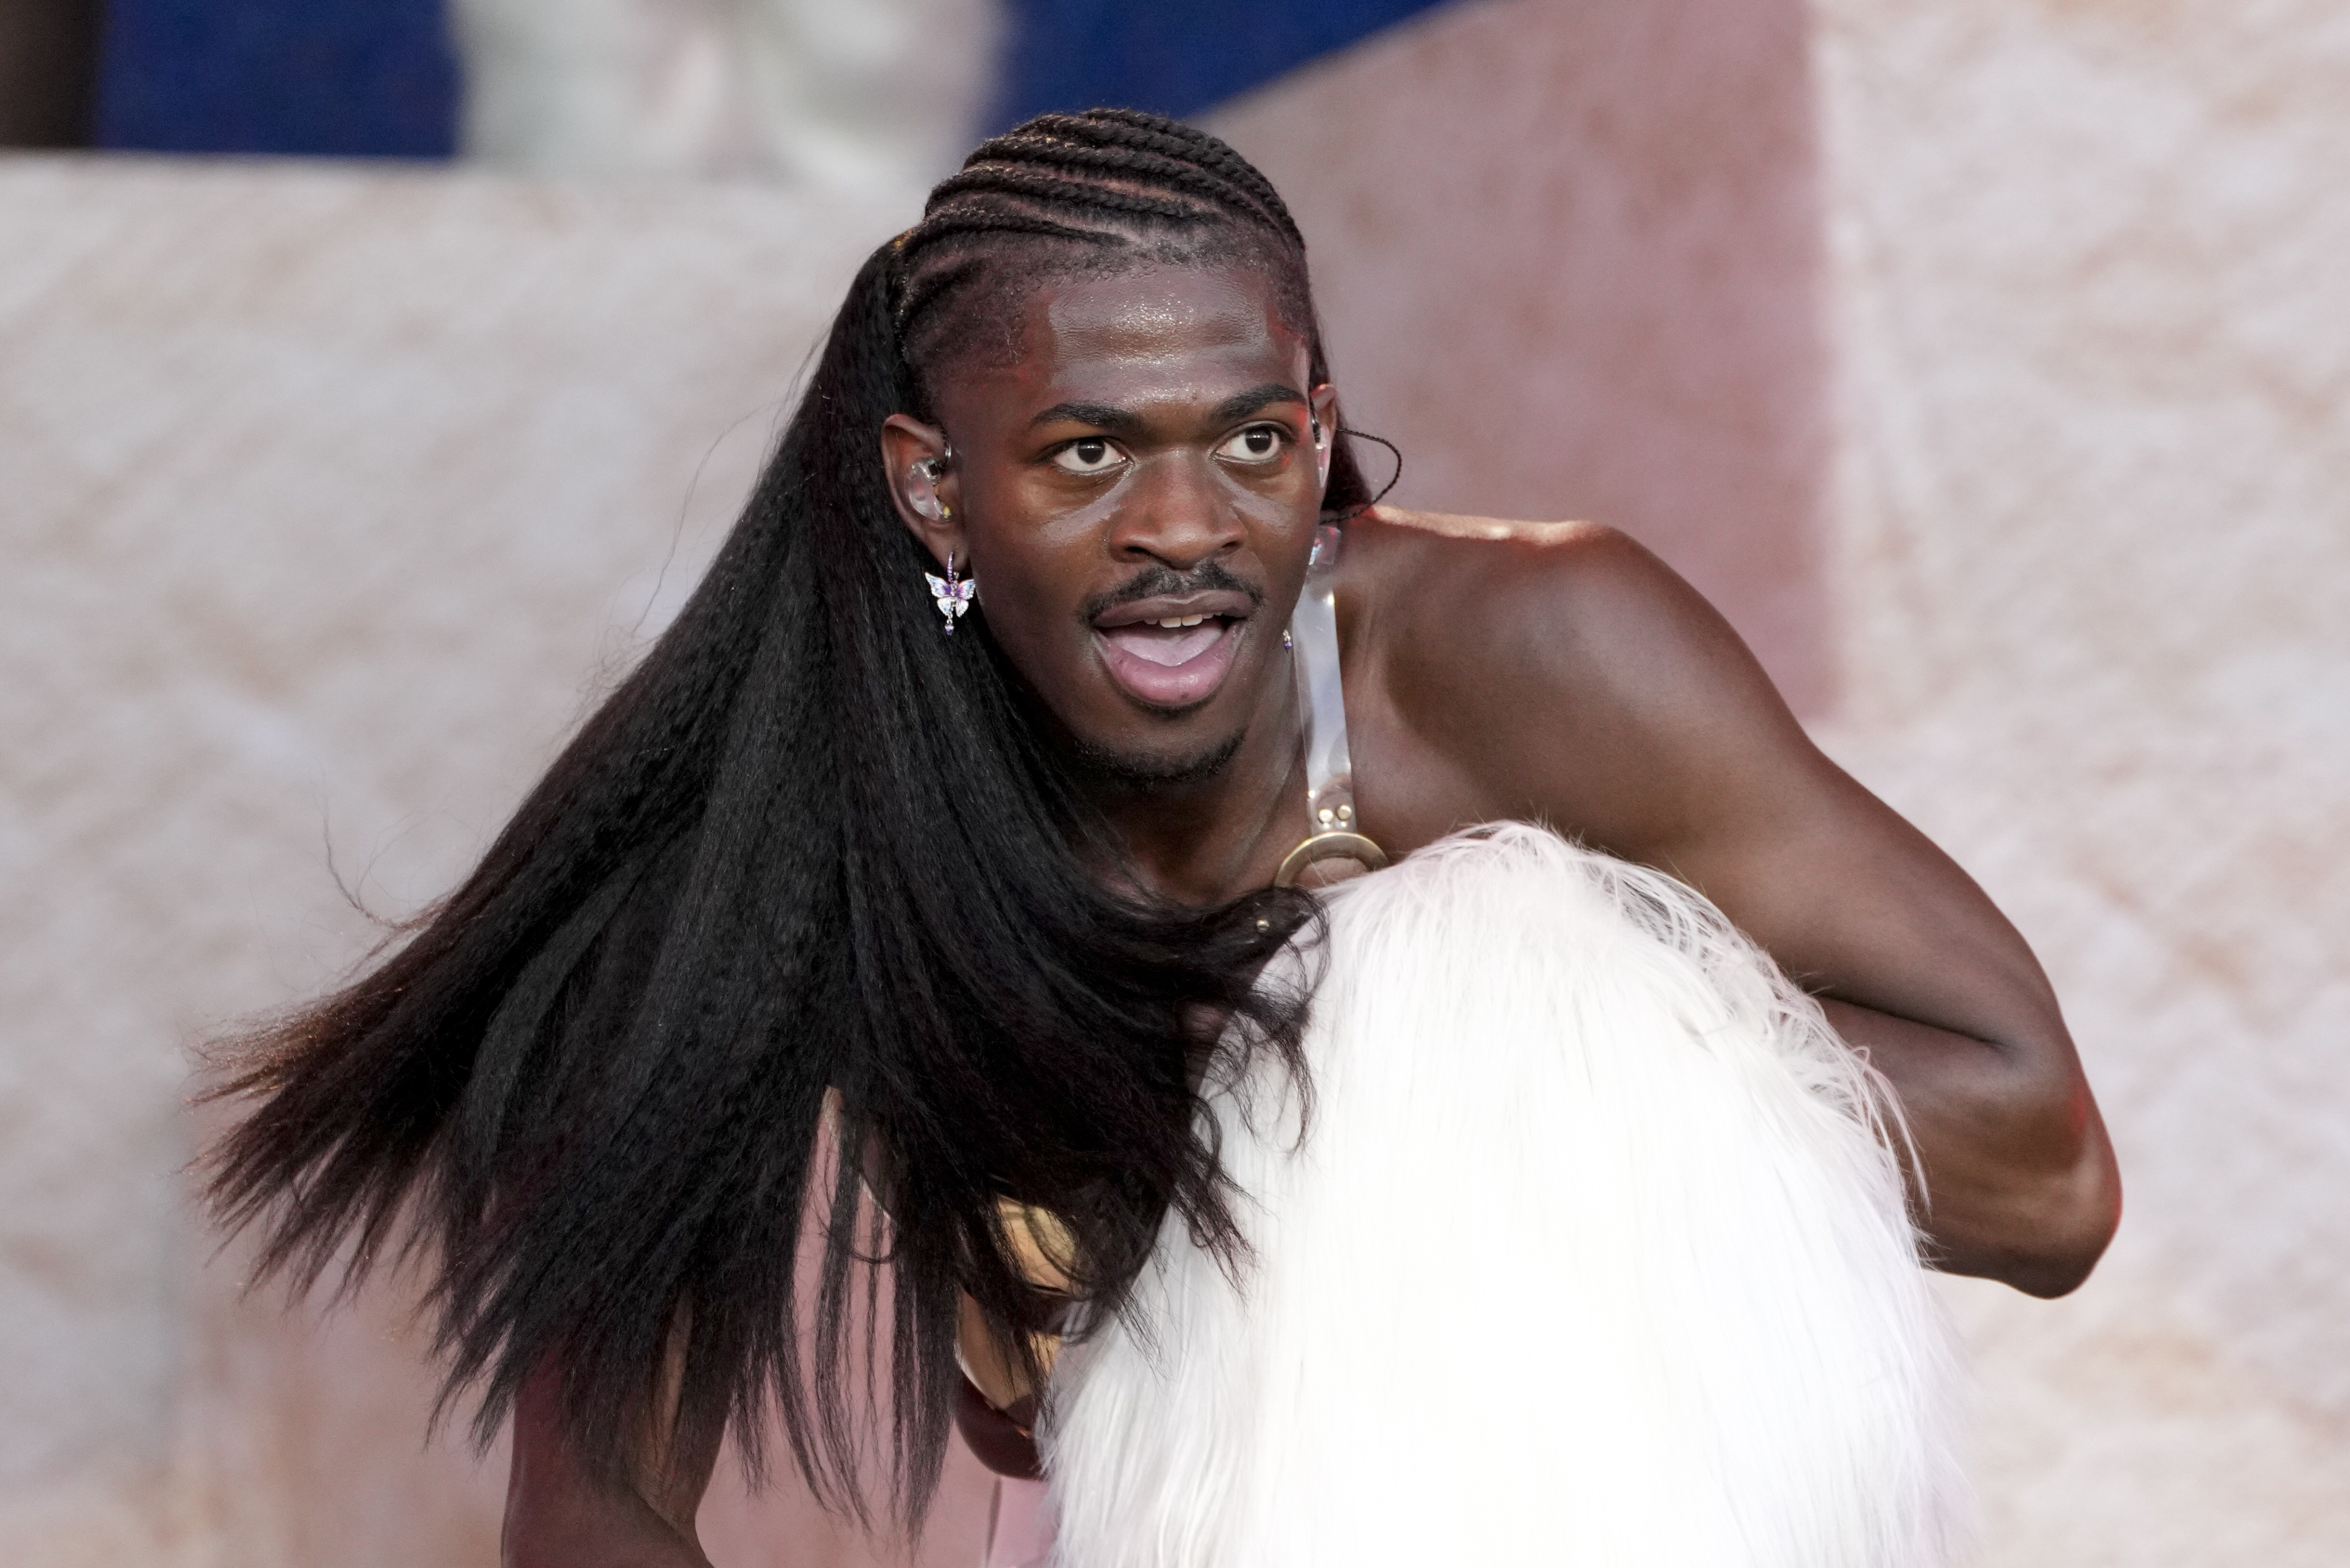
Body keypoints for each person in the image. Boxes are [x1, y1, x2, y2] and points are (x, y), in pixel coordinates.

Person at [205, 108, 2119, 1567]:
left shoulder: (1515, 659)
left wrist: (1435, 1017)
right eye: (1089, 453)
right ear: (933, 490)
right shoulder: (796, 827)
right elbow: (592, 1507)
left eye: (1252, 442)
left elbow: (2043, 1183)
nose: (1186, 529)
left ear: (1321, 428)